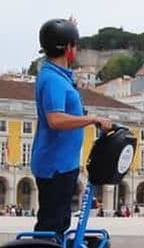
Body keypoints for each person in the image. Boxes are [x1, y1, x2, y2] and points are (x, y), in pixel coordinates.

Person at [31, 17, 114, 235]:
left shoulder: (59, 77)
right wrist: (93, 119)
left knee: (59, 223)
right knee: (52, 224)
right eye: (74, 45)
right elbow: (55, 119)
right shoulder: (52, 79)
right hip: (54, 165)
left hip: (63, 163)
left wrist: (67, 29)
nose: (76, 50)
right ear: (68, 48)